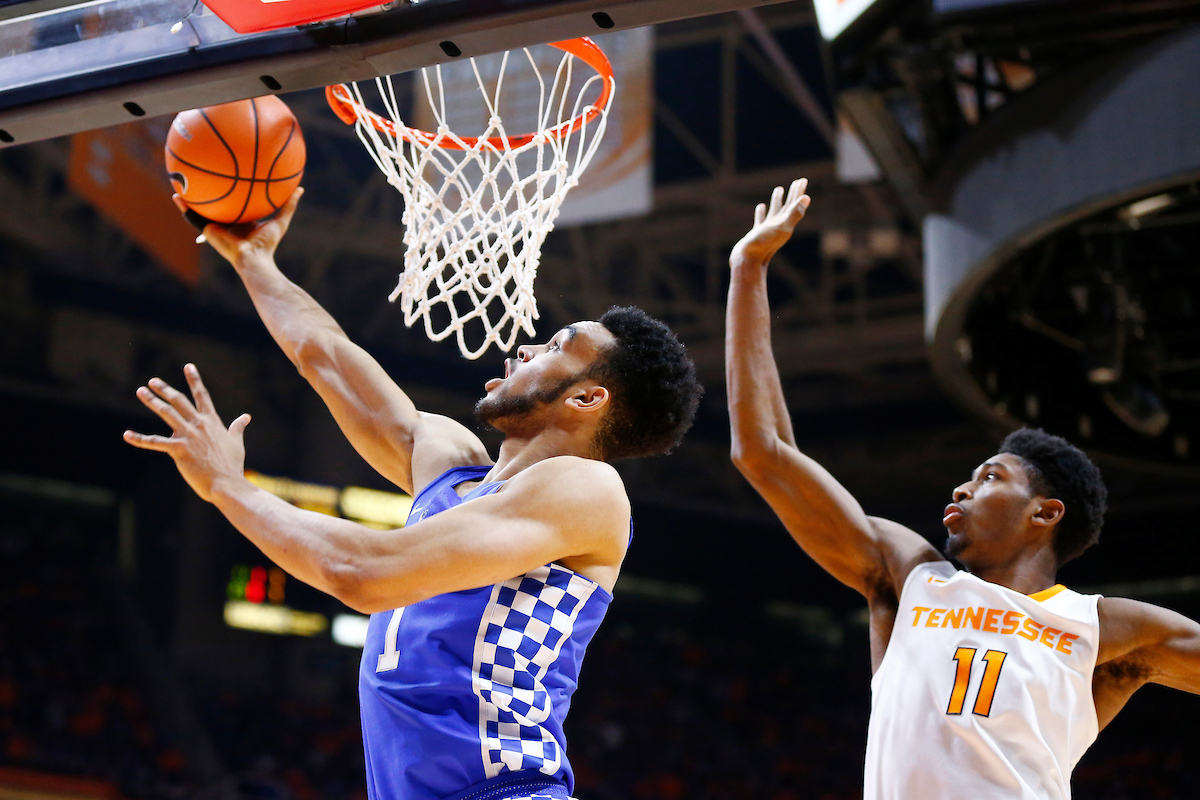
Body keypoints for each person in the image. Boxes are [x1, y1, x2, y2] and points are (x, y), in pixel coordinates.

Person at [125, 188, 703, 800]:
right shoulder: (452, 464)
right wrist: (253, 260)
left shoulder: (588, 490)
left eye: (557, 346)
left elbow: (362, 572)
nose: (525, 348)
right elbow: (325, 357)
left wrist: (228, 489)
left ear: (587, 399)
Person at [725, 178, 1200, 799]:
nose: (960, 488)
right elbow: (765, 453)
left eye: (990, 477)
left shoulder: (1104, 627)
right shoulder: (911, 577)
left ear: (1045, 512)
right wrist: (748, 271)